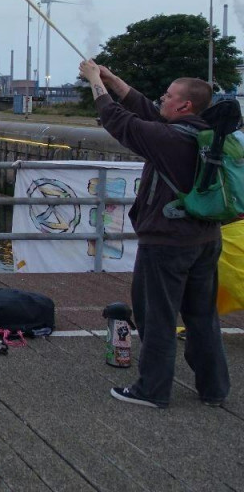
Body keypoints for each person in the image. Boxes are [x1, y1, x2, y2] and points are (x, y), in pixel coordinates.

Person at [80, 60, 230, 408]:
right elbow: (145, 109)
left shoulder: (169, 140)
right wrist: (112, 79)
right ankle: (214, 388)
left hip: (167, 243)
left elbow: (120, 122)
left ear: (184, 105)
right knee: (202, 317)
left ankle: (152, 390)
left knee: (156, 316)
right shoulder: (204, 134)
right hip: (205, 240)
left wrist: (94, 83)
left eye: (169, 95)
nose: (162, 99)